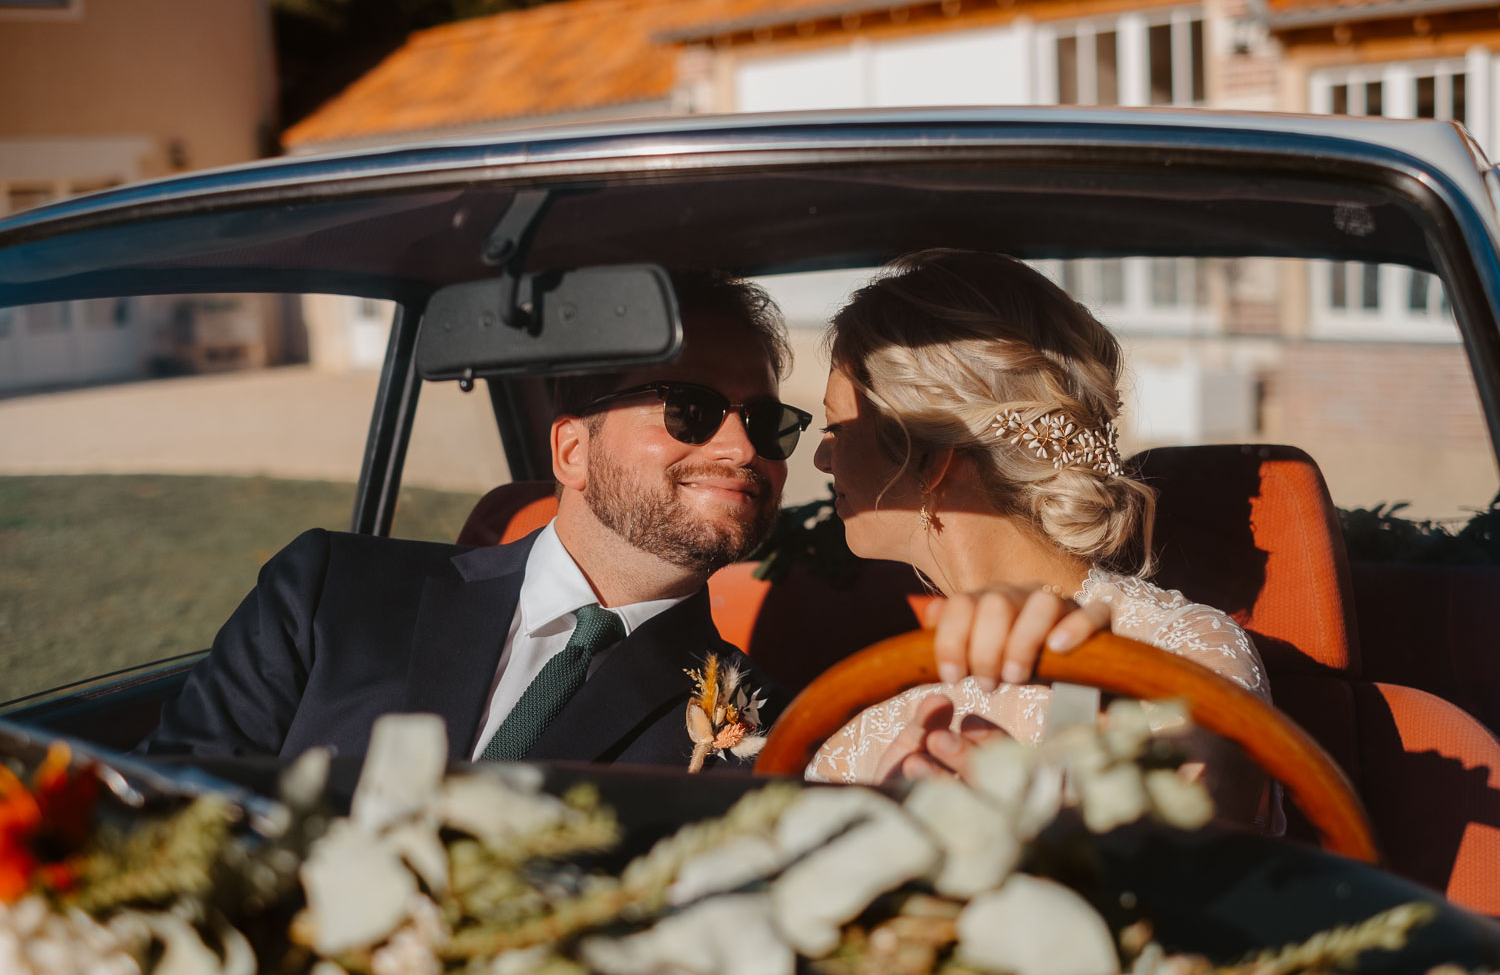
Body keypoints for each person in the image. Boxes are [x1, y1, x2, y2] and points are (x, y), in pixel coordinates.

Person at [140, 272, 808, 769]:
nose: (742, 449)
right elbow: (163, 807)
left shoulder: (765, 734)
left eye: (765, 422)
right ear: (573, 451)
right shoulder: (329, 593)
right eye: (690, 410)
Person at [807, 249, 1278, 831]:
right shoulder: (875, 717)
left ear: (926, 458)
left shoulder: (1179, 656)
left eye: (835, 427)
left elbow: (1197, 848)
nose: (821, 456)